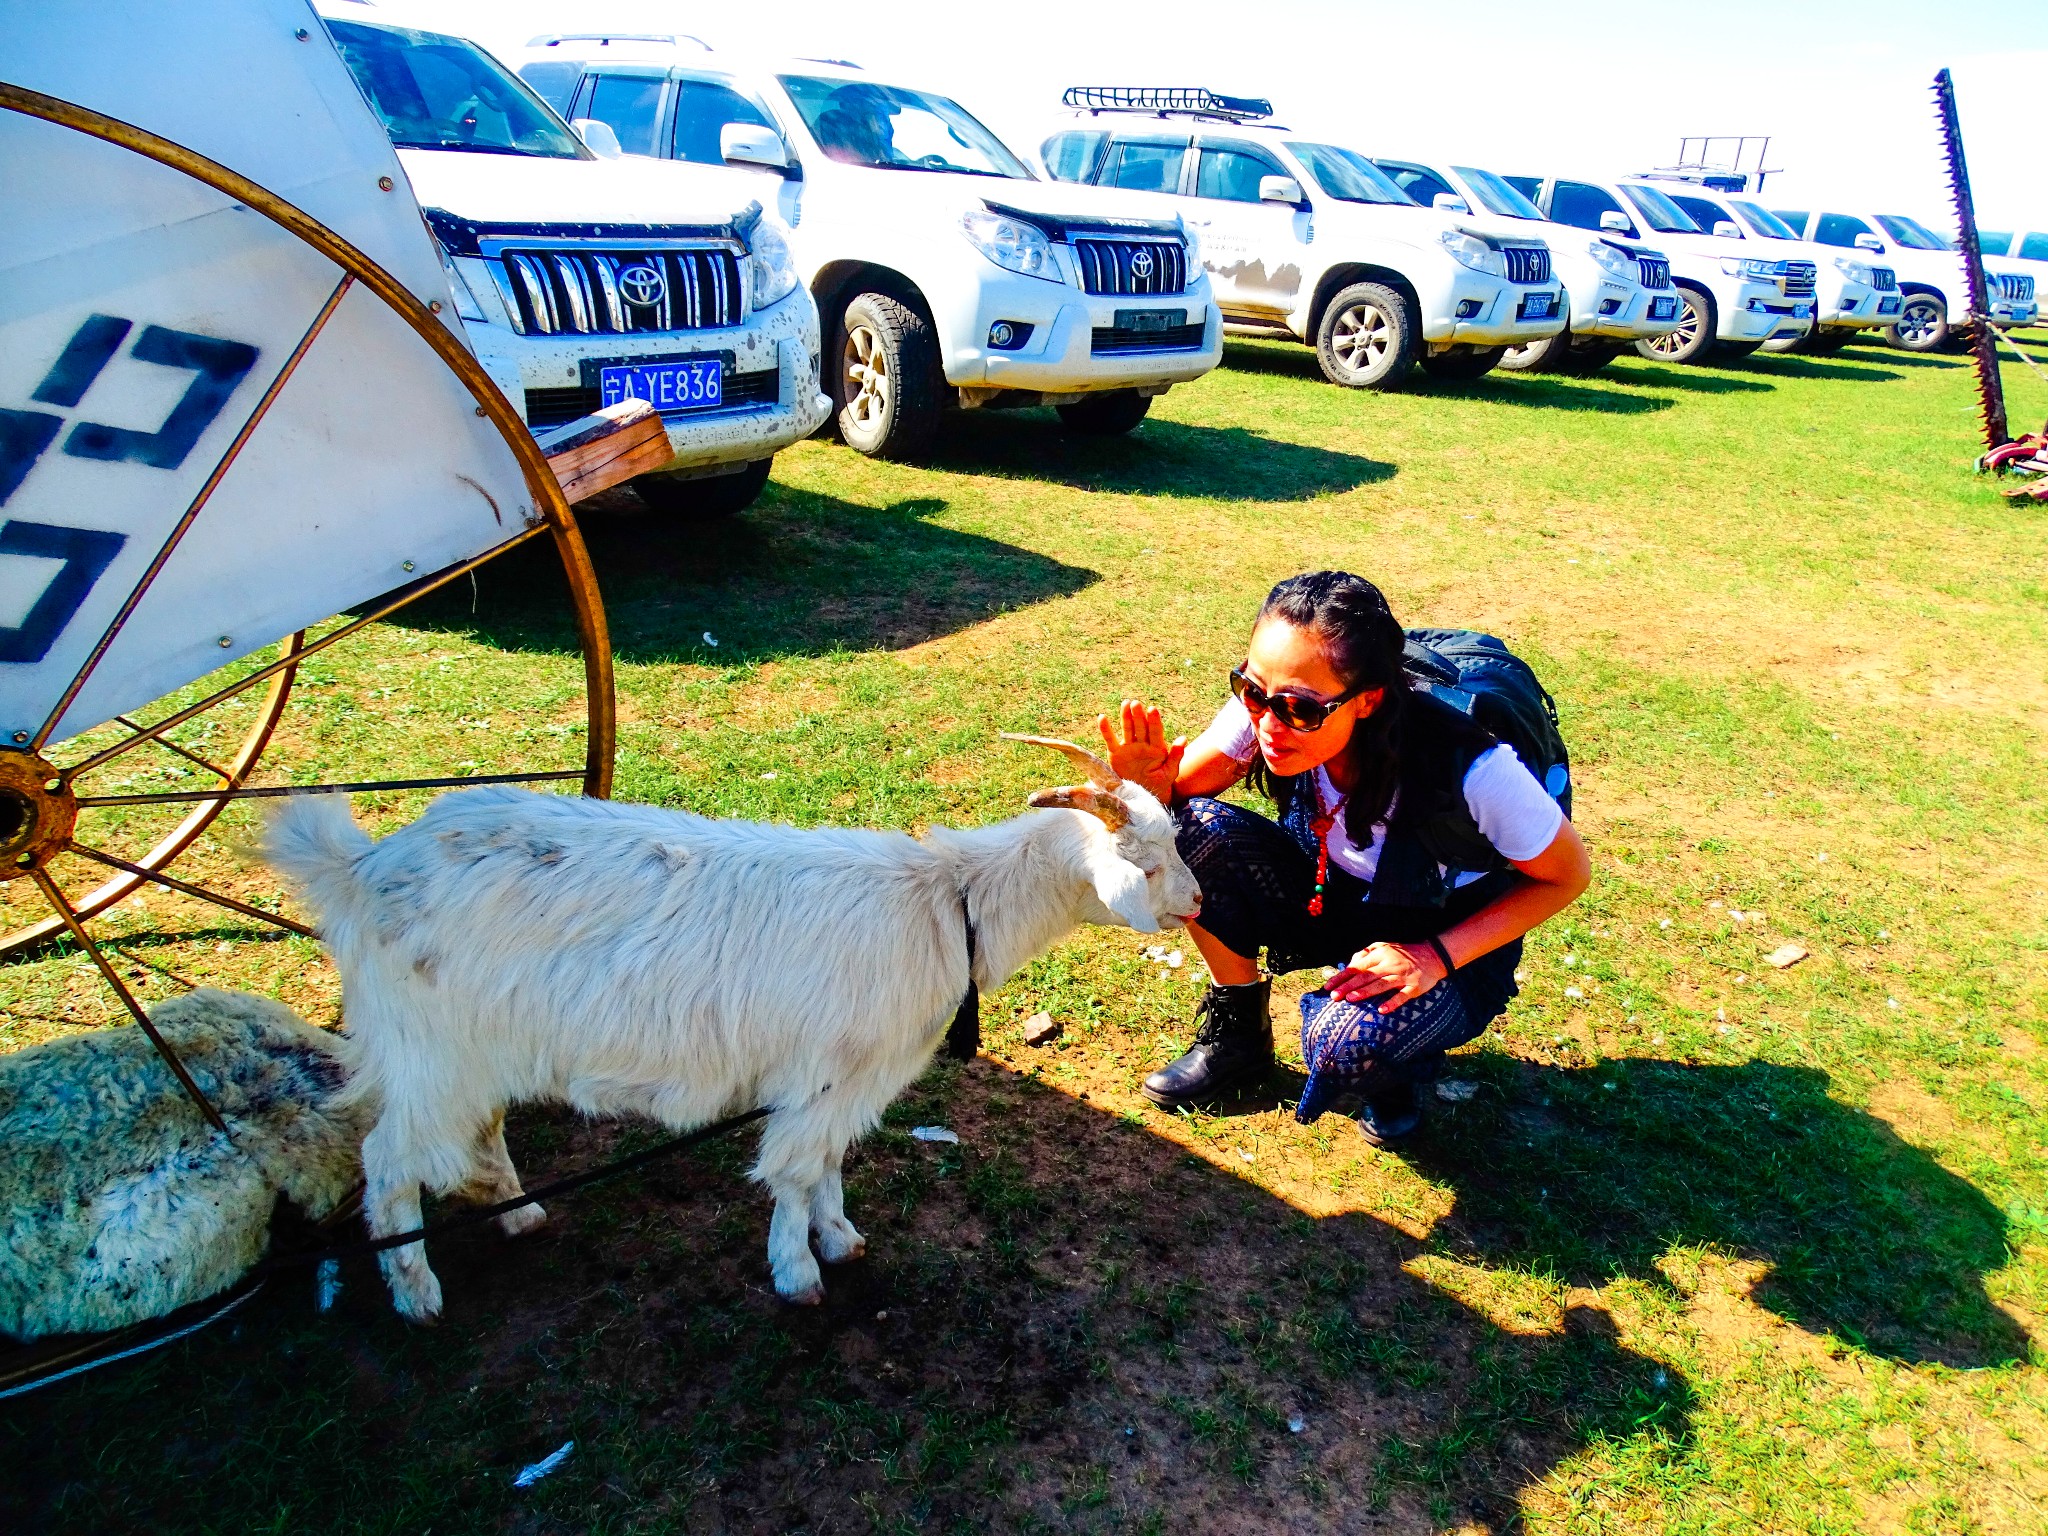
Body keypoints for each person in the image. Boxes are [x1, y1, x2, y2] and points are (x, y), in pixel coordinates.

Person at [1101, 571, 1590, 1143]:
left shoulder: (1474, 766)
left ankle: (1394, 1069)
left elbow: (1567, 877)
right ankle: (1239, 1037)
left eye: (1298, 710)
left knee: (1343, 1042)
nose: (1267, 723)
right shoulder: (1271, 710)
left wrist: (1433, 957)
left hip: (1439, 926)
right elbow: (1180, 797)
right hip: (1328, 892)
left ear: (1369, 700)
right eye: (1251, 689)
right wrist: (1148, 788)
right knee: (1187, 830)